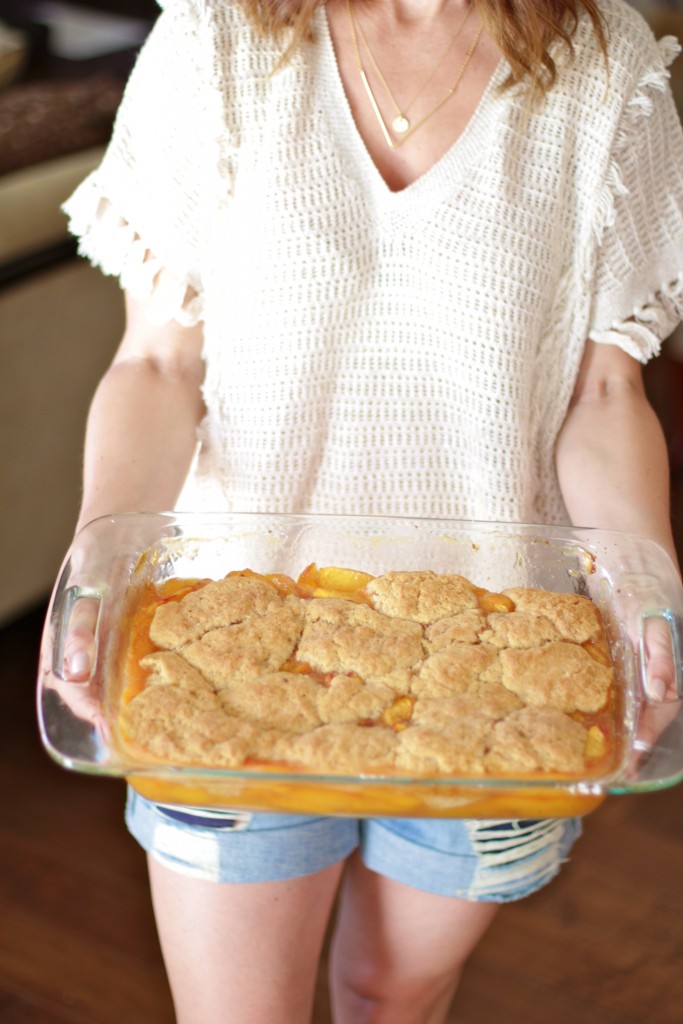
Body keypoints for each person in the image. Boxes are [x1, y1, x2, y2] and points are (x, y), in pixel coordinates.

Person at [58, 0, 683, 1021]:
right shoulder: (219, 39)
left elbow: (604, 394)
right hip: (226, 654)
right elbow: (157, 362)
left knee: (392, 992)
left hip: (493, 670)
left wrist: (646, 587)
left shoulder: (602, 64)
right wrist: (94, 563)